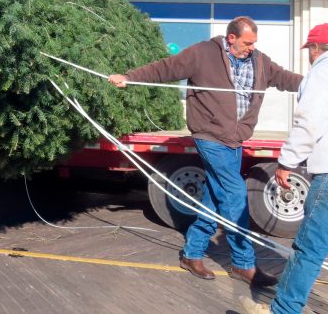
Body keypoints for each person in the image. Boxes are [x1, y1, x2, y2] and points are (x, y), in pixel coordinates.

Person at [108, 16, 302, 286]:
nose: (251, 48)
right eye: (247, 42)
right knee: (235, 194)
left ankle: (191, 253)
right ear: (231, 37)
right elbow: (166, 68)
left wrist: (313, 86)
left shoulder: (259, 60)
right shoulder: (202, 53)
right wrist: (129, 77)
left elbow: (284, 78)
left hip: (235, 139)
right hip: (209, 135)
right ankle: (243, 263)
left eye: (254, 43)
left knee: (214, 196)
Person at [239, 24, 328, 314]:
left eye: (310, 51)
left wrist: (287, 162)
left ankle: (282, 310)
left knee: (308, 249)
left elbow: (308, 122)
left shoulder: (324, 71)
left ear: (316, 49)